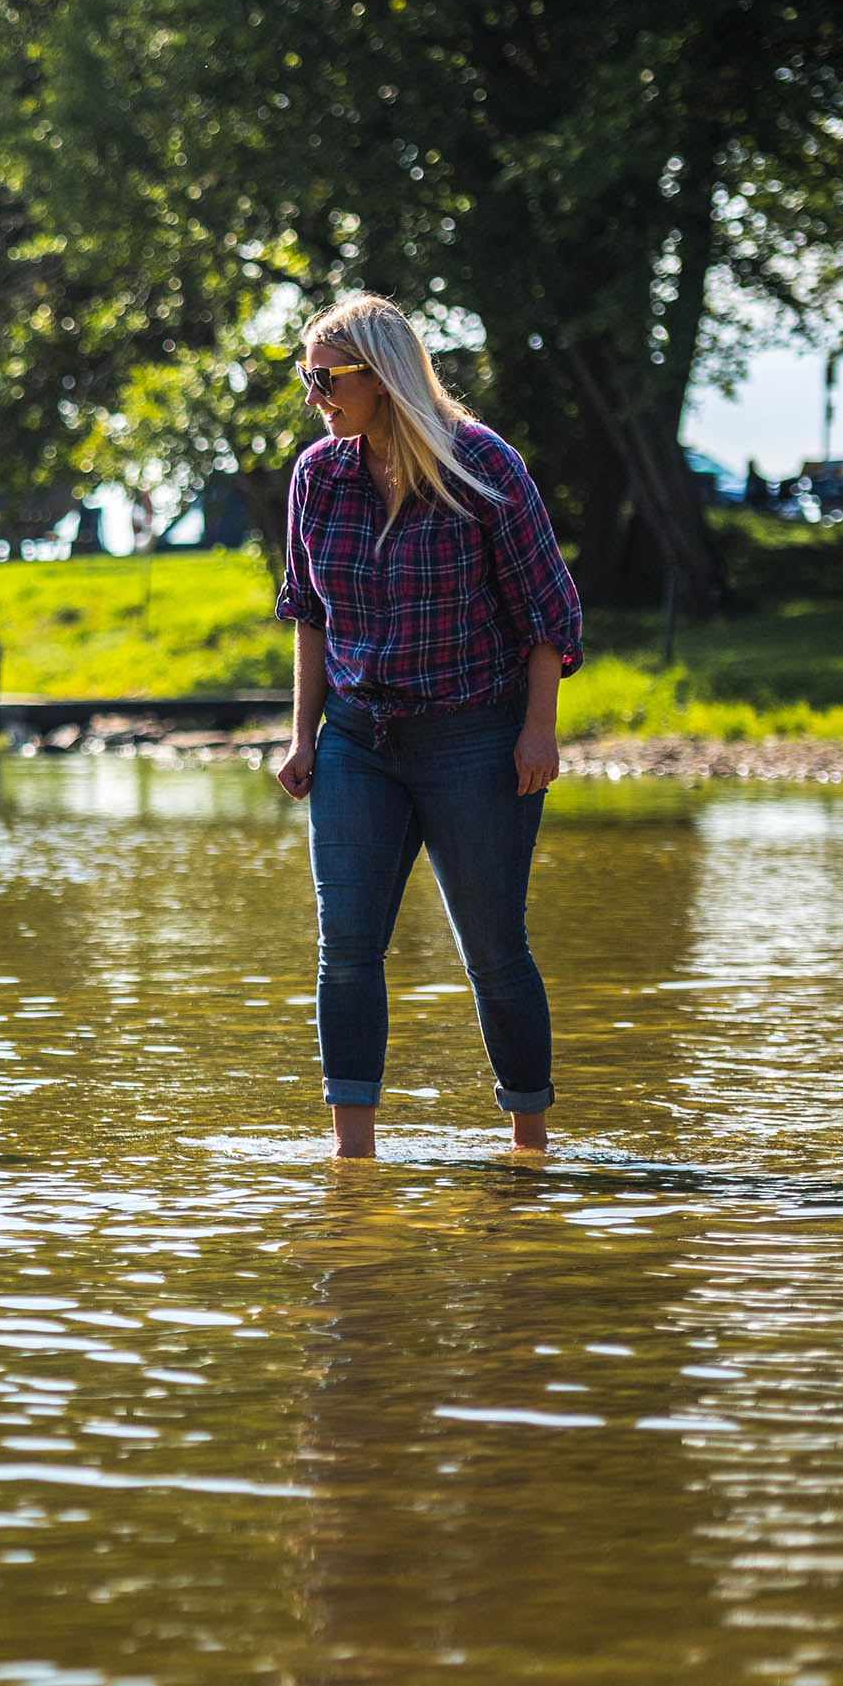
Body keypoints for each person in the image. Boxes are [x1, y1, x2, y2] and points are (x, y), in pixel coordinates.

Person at [269, 292, 584, 1161]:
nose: (313, 396)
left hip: (475, 738)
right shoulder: (317, 476)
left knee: (493, 951)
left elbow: (548, 615)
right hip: (359, 743)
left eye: (326, 378)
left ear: (383, 378)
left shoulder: (482, 466)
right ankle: (352, 1162)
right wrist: (304, 737)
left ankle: (530, 1144)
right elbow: (309, 615)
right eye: (307, 377)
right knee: (348, 948)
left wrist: (537, 732)